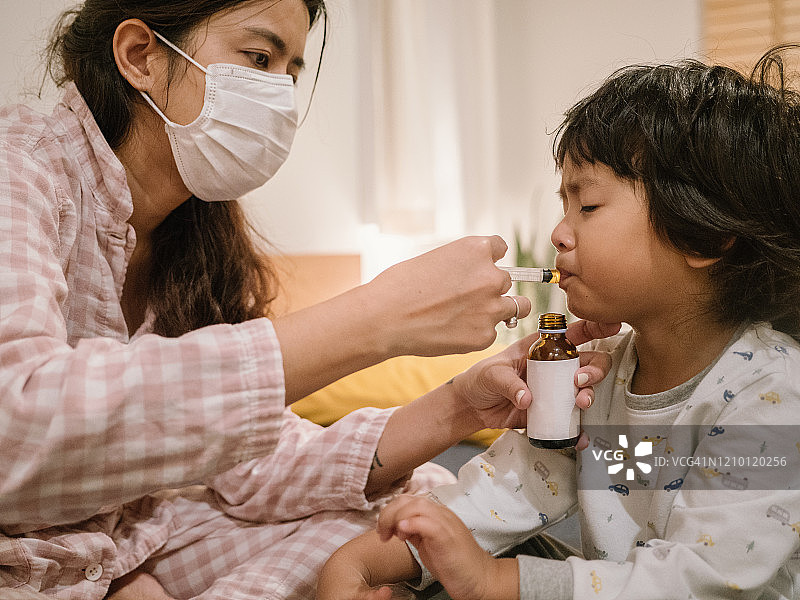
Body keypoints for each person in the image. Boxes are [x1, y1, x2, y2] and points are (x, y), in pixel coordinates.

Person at [0, 1, 621, 598]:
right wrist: (378, 317)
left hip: (138, 540)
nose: (560, 233)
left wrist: (459, 406)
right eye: (258, 59)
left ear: (709, 240)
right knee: (420, 518)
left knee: (420, 503)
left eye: (291, 73)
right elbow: (19, 428)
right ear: (140, 55)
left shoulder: (193, 241)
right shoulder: (21, 171)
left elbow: (694, 535)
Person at [316, 45, 800, 600]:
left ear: (703, 235)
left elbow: (700, 583)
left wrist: (492, 581)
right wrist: (354, 565)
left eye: (586, 206)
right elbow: (504, 491)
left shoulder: (772, 391)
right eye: (563, 206)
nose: (559, 233)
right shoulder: (598, 377)